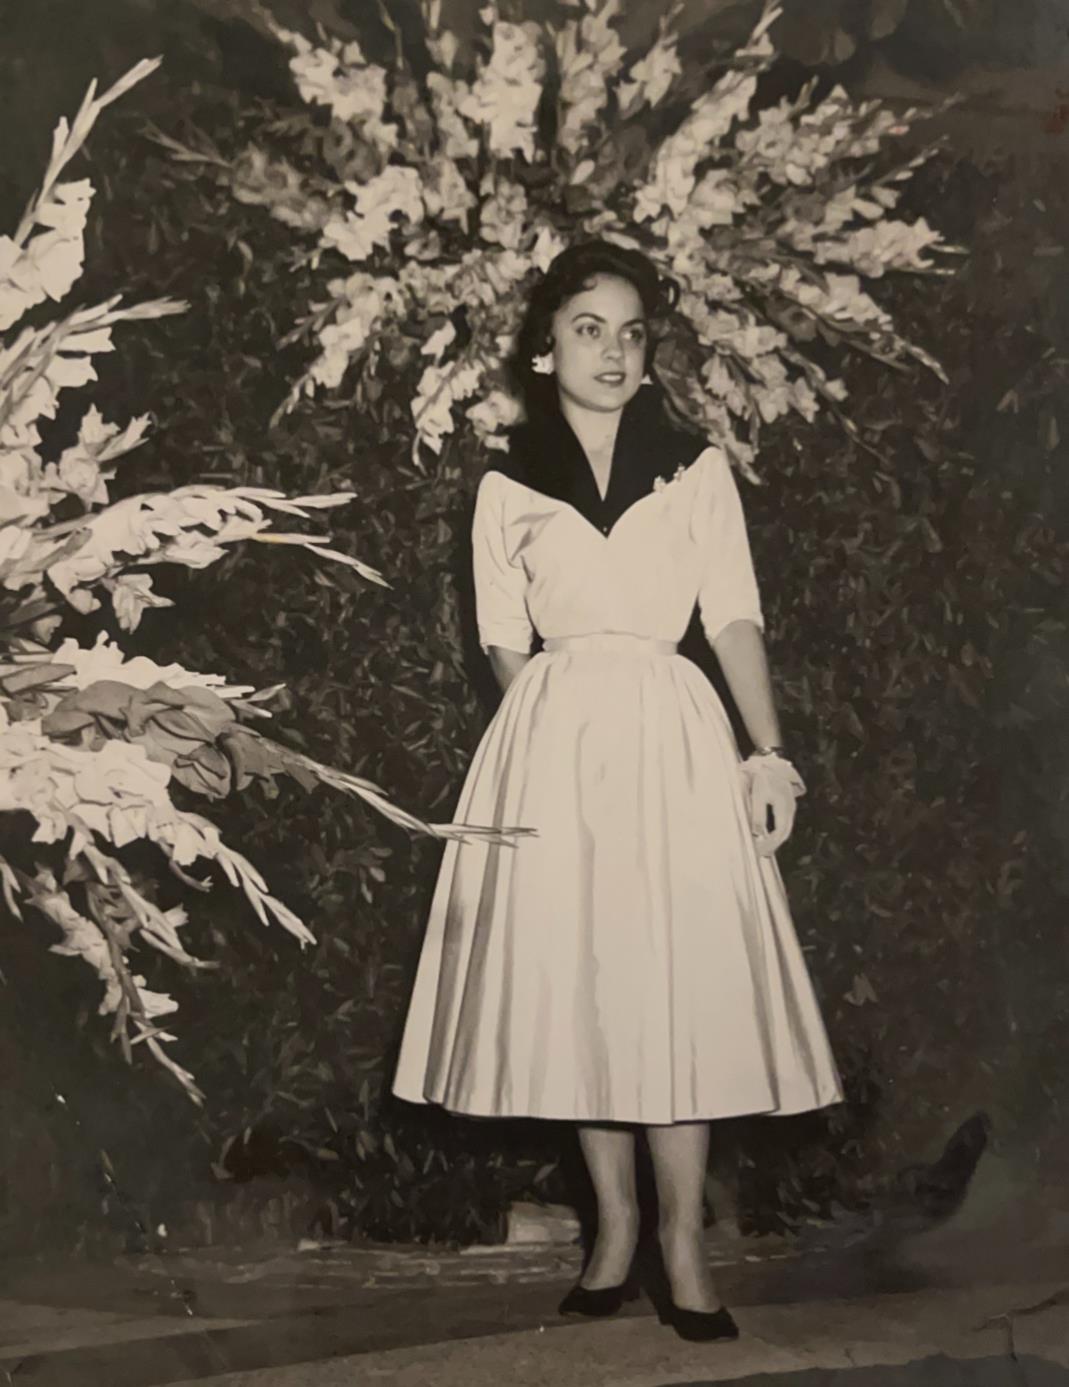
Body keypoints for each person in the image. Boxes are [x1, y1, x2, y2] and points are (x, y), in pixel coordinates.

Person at [392, 239, 844, 1342]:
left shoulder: (693, 468)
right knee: (586, 991)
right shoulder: (505, 488)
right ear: (545, 349)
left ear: (649, 357)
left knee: (672, 989)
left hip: (674, 744)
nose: (611, 349)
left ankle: (682, 1245)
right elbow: (501, 641)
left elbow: (731, 616)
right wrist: (554, 726)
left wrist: (766, 752)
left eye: (632, 332)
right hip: (552, 747)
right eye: (587, 328)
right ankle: (612, 1228)